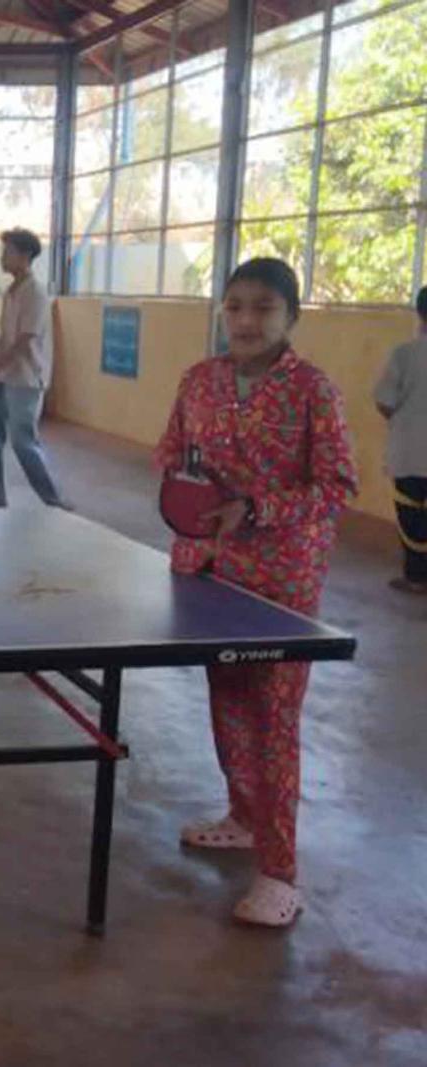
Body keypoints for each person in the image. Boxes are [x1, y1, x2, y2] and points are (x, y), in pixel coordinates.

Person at [157, 257, 357, 928]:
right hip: (211, 567)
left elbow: (337, 486)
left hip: (281, 580)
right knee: (229, 700)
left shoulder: (313, 390)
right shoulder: (199, 379)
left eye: (263, 307)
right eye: (235, 305)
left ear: (291, 316)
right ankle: (243, 817)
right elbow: (170, 451)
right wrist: (187, 487)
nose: (246, 320)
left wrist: (257, 507)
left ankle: (279, 872)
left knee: (274, 720)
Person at [0, 229, 69, 510]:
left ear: (25, 255)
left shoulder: (36, 293)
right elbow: (5, 335)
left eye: (8, 252)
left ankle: (53, 499)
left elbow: (24, 339)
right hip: (5, 376)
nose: (2, 258)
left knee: (23, 442)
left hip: (27, 378)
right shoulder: (11, 292)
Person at [373, 285, 427, 595]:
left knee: (411, 516)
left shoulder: (404, 354)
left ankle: (416, 577)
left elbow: (385, 401)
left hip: (409, 452)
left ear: (420, 313)